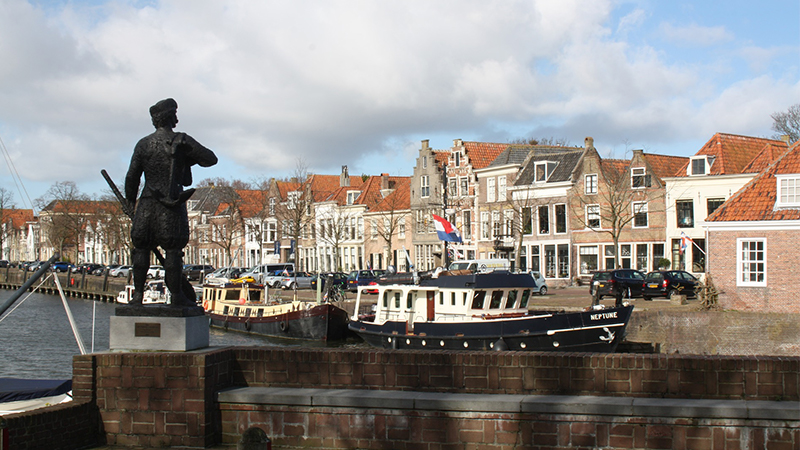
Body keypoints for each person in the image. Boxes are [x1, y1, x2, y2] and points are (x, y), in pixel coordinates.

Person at [125, 98, 217, 306]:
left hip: (147, 204)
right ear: (169, 117)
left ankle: (137, 296)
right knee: (173, 251)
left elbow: (132, 177)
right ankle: (176, 297)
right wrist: (187, 151)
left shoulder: (143, 144)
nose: (177, 117)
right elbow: (211, 159)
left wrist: (130, 202)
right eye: (174, 113)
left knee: (141, 249)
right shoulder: (182, 140)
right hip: (171, 205)